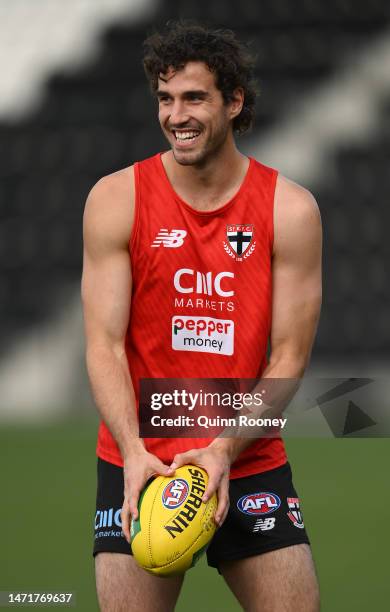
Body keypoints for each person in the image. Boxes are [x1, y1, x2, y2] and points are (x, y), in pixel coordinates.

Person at [82, 21, 322, 612]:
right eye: (165, 98)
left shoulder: (290, 210)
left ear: (234, 101)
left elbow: (288, 356)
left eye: (194, 97)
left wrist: (221, 450)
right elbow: (103, 345)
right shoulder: (116, 199)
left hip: (246, 456)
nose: (175, 115)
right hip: (139, 460)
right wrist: (135, 453)